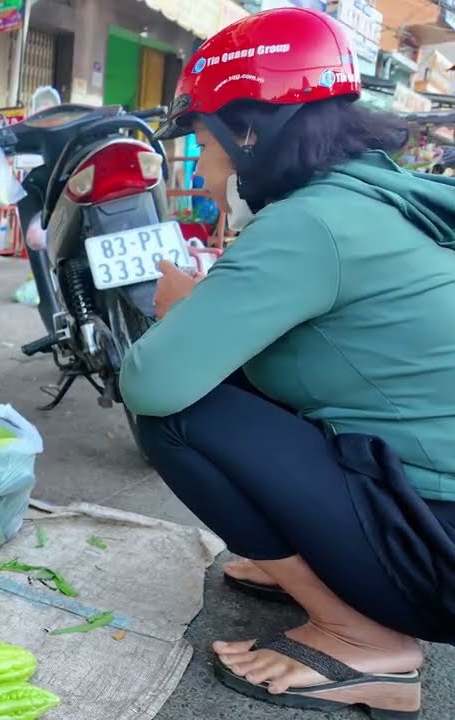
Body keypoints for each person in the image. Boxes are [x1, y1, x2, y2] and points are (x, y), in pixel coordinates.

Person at [121, 7, 455, 719]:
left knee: (175, 414)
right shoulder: (376, 191)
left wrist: (183, 311)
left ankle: (363, 638)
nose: (201, 167)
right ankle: (326, 567)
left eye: (203, 143)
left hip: (440, 552)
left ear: (248, 131)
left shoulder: (308, 223)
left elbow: (153, 380)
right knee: (238, 379)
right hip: (436, 514)